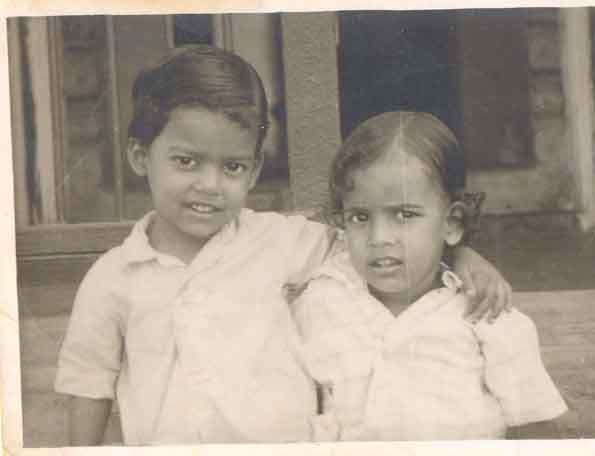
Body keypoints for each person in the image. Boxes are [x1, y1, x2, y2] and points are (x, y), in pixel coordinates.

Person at [54, 46, 511, 446]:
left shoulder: (279, 241)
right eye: (187, 161)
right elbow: (88, 382)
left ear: (254, 171)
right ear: (141, 157)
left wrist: (459, 254)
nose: (209, 184)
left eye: (232, 167)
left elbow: (374, 243)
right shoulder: (114, 277)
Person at [293, 111, 568, 441]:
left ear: (452, 223)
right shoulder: (323, 298)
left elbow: (538, 428)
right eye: (360, 217)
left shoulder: (486, 314)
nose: (379, 237)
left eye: (404, 214)